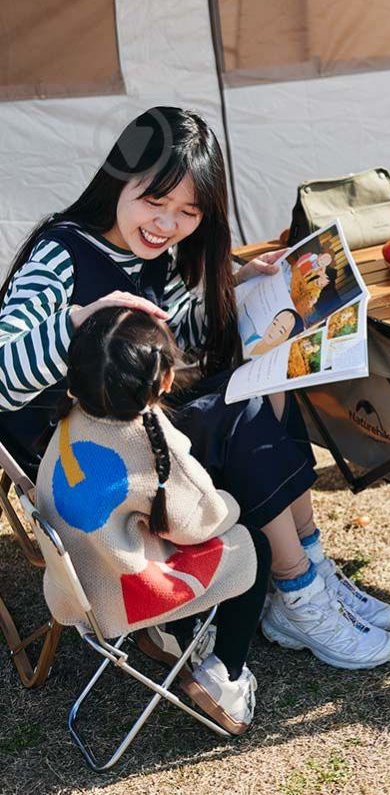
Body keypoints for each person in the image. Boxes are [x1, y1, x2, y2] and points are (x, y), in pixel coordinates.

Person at [0, 106, 390, 673]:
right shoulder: (61, 252)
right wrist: (77, 321)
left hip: (133, 426)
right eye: (154, 202)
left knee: (264, 386)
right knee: (238, 413)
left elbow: (175, 345)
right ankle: (298, 590)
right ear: (118, 181)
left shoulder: (155, 258)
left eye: (188, 212)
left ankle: (308, 569)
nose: (166, 225)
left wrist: (237, 286)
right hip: (77, 458)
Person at [36, 307, 270, 734]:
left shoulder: (69, 415)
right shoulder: (148, 440)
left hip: (80, 585)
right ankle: (225, 677)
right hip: (123, 591)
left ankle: (179, 632)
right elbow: (199, 521)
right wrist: (233, 505)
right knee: (252, 544)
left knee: (162, 534)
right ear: (163, 381)